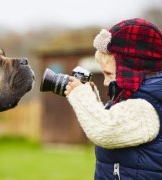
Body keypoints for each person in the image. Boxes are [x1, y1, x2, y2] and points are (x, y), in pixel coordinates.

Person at [64, 18, 162, 179]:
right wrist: (93, 100)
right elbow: (114, 121)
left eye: (109, 73)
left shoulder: (145, 106)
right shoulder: (139, 98)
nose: (105, 82)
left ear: (133, 70)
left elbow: (105, 130)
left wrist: (80, 95)